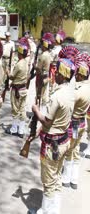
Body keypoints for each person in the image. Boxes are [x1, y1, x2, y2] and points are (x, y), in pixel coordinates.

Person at [32, 52, 75, 214]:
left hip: (53, 145)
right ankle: (54, 210)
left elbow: (47, 121)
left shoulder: (57, 96)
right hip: (64, 140)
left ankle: (45, 211)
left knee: (48, 181)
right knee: (56, 177)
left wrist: (36, 110)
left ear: (63, 76)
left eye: (57, 72)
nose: (54, 74)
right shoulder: (71, 92)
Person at [62, 53, 90, 190]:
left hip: (74, 123)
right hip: (82, 122)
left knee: (69, 150)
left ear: (80, 74)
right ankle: (74, 179)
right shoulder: (88, 87)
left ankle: (66, 178)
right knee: (77, 149)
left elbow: (68, 105)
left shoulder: (78, 91)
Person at [5, 37, 30, 138]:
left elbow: (12, 76)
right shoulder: (26, 63)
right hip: (23, 89)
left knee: (15, 110)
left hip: (17, 91)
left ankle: (14, 129)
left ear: (20, 53)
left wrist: (7, 72)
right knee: (22, 109)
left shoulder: (19, 64)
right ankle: (21, 130)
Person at [35, 32, 55, 111]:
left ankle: (39, 113)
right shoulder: (49, 54)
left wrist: (34, 66)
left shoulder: (43, 56)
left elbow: (38, 69)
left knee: (39, 96)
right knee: (43, 95)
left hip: (40, 78)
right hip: (46, 77)